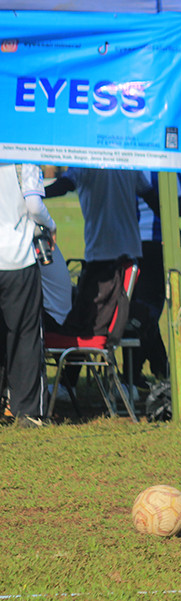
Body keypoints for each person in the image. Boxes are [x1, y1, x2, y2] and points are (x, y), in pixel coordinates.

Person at [44, 168, 156, 340]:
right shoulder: (129, 160)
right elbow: (151, 196)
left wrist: (33, 195)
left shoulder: (85, 159)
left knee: (87, 322)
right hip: (130, 251)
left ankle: (71, 365)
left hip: (101, 254)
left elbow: (65, 185)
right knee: (131, 318)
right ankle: (154, 365)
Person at [0, 163, 55, 427]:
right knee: (26, 334)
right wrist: (50, 225)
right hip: (17, 259)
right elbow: (34, 205)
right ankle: (29, 412)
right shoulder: (24, 154)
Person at [128, 171, 181, 387]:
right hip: (154, 245)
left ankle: (160, 368)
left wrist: (179, 237)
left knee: (137, 311)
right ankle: (133, 375)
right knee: (145, 314)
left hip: (123, 245)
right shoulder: (162, 163)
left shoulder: (123, 161)